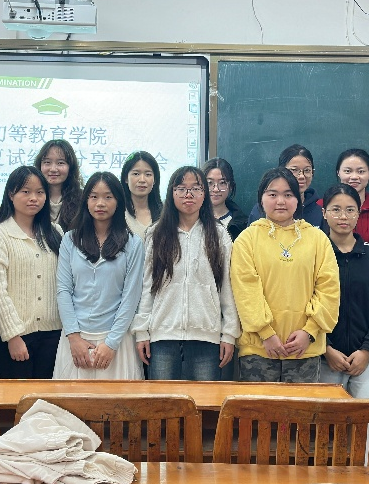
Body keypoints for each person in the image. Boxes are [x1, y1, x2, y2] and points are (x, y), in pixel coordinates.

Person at [231, 167, 340, 382]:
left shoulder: (317, 239)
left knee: (301, 406)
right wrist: (266, 333)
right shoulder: (247, 239)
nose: (280, 201)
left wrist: (309, 331)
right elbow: (245, 291)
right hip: (258, 350)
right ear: (261, 199)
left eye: (288, 195)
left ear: (298, 199)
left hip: (304, 350)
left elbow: (329, 289)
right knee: (256, 406)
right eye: (272, 194)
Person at [133, 166, 240, 380]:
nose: (188, 194)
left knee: (204, 399)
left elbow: (228, 287)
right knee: (163, 399)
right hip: (162, 335)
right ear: (171, 193)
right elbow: (147, 286)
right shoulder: (156, 233)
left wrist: (229, 333)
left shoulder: (219, 234)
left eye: (196, 189)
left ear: (204, 194)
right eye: (181, 188)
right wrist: (142, 330)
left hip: (206, 336)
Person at [54, 172, 145, 379]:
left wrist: (111, 343)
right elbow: (63, 290)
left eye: (108, 197)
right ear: (86, 200)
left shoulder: (133, 244)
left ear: (118, 201)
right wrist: (73, 337)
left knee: (116, 400)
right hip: (75, 340)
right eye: (94, 196)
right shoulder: (70, 240)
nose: (100, 203)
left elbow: (131, 298)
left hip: (116, 341)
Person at [0, 165, 63, 379]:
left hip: (53, 335)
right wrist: (13, 336)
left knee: (48, 398)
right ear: (11, 194)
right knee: (16, 398)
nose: (33, 198)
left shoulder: (55, 232)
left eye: (40, 192)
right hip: (16, 338)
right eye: (25, 192)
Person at [318, 184, 369, 397]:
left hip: (367, 358)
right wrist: (326, 349)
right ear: (324, 213)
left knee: (368, 417)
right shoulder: (315, 254)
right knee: (327, 418)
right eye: (336, 209)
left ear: (359, 213)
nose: (343, 216)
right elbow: (304, 305)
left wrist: (367, 350)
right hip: (325, 358)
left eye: (350, 210)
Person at [321, 148, 369, 242]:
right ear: (338, 172)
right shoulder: (319, 207)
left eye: (361, 171)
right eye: (348, 171)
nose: (354, 177)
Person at [247, 144, 323, 227]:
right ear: (281, 171)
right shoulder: (262, 209)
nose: (301, 176)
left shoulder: (320, 209)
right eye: (294, 170)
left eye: (307, 170)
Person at [34, 139, 83, 231]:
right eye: (47, 162)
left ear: (70, 168)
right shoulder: (31, 198)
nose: (53, 169)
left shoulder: (83, 199)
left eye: (60, 163)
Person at [202, 157, 248, 240]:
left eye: (222, 183)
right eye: (209, 183)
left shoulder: (242, 225)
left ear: (230, 186)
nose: (216, 189)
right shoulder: (191, 219)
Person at [120, 151, 162, 239]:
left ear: (154, 180)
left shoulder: (164, 213)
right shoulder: (118, 212)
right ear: (126, 178)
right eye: (136, 174)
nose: (142, 180)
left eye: (148, 174)